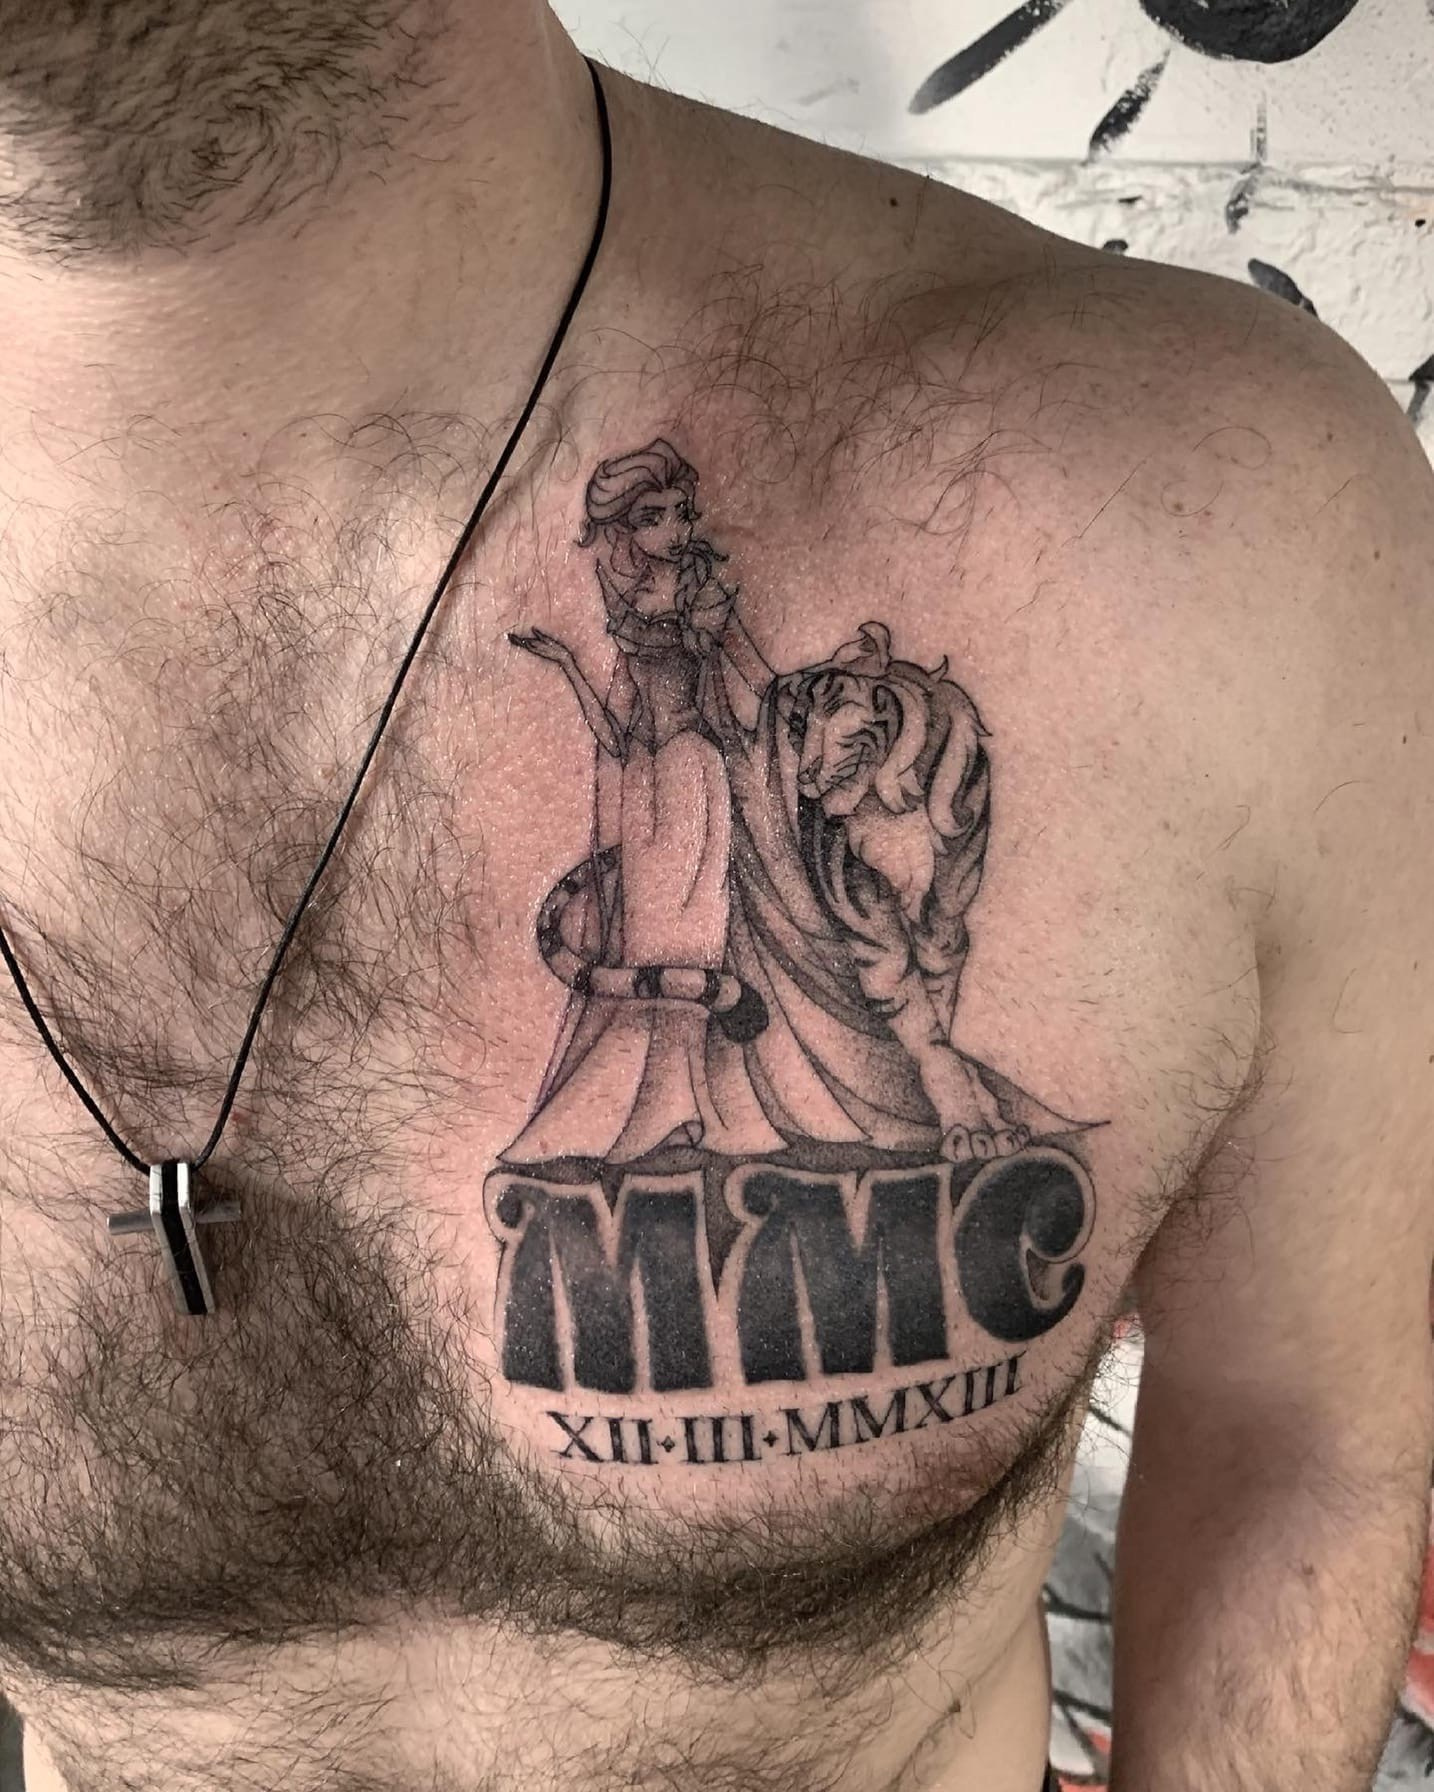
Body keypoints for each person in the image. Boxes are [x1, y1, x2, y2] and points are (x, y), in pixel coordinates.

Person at [0, 4, 1428, 1792]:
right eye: (642, 544)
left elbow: (1303, 1428)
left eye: (668, 538)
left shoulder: (1215, 510)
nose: (659, 560)